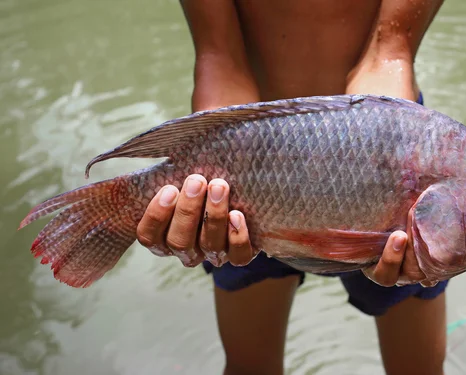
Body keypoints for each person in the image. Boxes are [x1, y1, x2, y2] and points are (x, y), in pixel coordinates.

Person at [136, 1, 447, 374]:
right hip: (248, 155)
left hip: (385, 148)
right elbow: (221, 57)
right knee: (250, 366)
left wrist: (381, 161)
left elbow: (388, 51)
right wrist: (211, 169)